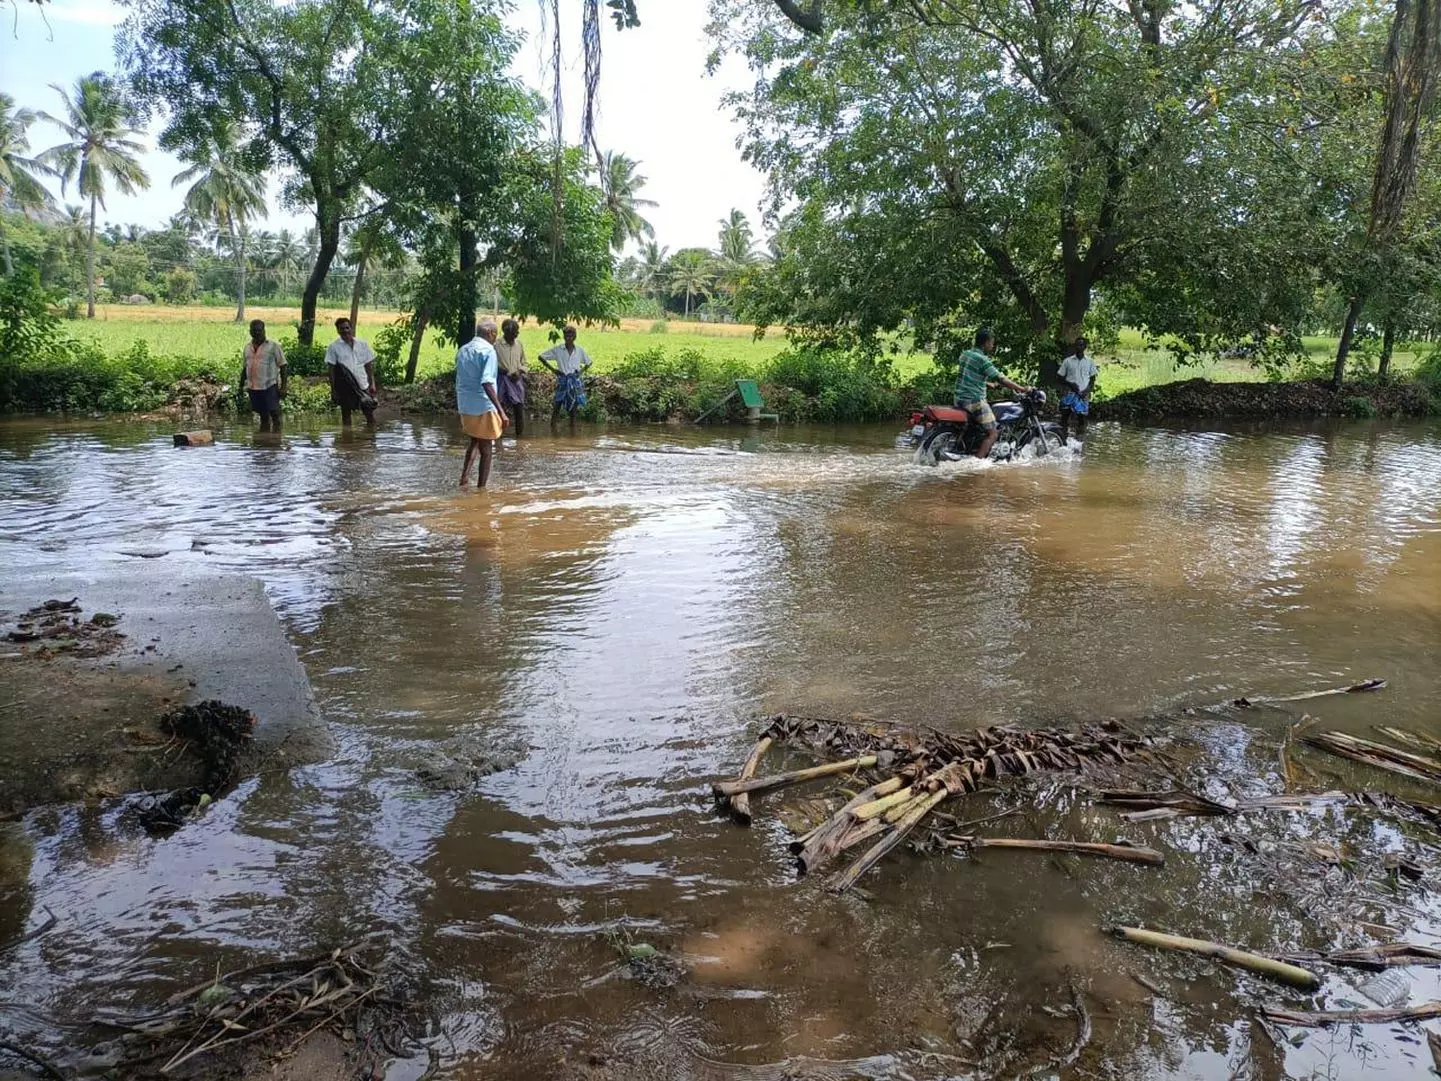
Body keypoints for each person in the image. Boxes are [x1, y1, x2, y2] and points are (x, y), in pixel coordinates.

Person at [954, 327, 1033, 459]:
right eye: (991, 343)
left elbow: (968, 375)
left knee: (978, 429)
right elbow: (1000, 378)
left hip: (959, 398)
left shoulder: (965, 354)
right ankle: (977, 463)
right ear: (985, 343)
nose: (992, 345)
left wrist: (987, 384)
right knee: (993, 433)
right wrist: (1021, 388)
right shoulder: (982, 360)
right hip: (974, 401)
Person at [455, 319, 509, 487]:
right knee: (487, 449)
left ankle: (464, 478)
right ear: (490, 334)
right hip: (483, 405)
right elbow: (486, 382)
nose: (496, 338)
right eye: (495, 334)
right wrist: (501, 411)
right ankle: (481, 489)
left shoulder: (463, 350)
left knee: (474, 441)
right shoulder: (488, 351)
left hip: (465, 404)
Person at [325, 317, 378, 428]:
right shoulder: (333, 347)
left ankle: (371, 439)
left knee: (369, 413)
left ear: (351, 328)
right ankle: (347, 440)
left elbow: (368, 365)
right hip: (345, 387)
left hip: (363, 384)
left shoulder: (362, 344)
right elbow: (331, 370)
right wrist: (333, 390)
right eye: (342, 329)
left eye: (347, 328)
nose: (345, 331)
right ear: (338, 331)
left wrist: (372, 383)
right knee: (346, 415)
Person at [539, 325, 592, 431]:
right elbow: (541, 357)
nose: (569, 338)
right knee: (557, 405)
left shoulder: (579, 350)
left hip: (574, 380)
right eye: (566, 336)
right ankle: (553, 428)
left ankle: (572, 430)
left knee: (574, 407)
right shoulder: (558, 349)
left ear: (575, 337)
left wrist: (580, 373)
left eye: (571, 336)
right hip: (563, 380)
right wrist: (553, 370)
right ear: (564, 337)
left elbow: (589, 362)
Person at [240, 319, 287, 433]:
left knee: (274, 413)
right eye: (254, 330)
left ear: (264, 330)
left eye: (259, 330)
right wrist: (240, 386)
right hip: (254, 387)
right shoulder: (247, 348)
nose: (257, 333)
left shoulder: (273, 347)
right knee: (263, 416)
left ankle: (276, 439)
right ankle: (264, 441)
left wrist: (284, 387)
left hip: (269, 385)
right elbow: (245, 368)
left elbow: (283, 366)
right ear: (250, 331)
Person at [1057, 337, 1099, 445]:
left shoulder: (1090, 362)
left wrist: (1087, 390)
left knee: (1082, 418)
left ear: (1085, 347)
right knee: (1065, 417)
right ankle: (1063, 439)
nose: (1079, 347)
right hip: (1069, 393)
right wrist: (1070, 384)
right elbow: (1060, 377)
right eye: (1077, 345)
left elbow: (1093, 379)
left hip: (1083, 394)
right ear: (1074, 346)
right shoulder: (1068, 361)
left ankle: (1079, 441)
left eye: (1081, 345)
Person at [495, 318, 528, 438]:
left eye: (517, 331)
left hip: (516, 380)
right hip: (501, 379)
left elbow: (524, 363)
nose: (517, 334)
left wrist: (519, 372)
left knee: (519, 408)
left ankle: (520, 438)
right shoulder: (496, 345)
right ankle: (498, 436)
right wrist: (498, 369)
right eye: (515, 331)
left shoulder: (519, 345)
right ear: (506, 332)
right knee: (500, 407)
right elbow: (489, 363)